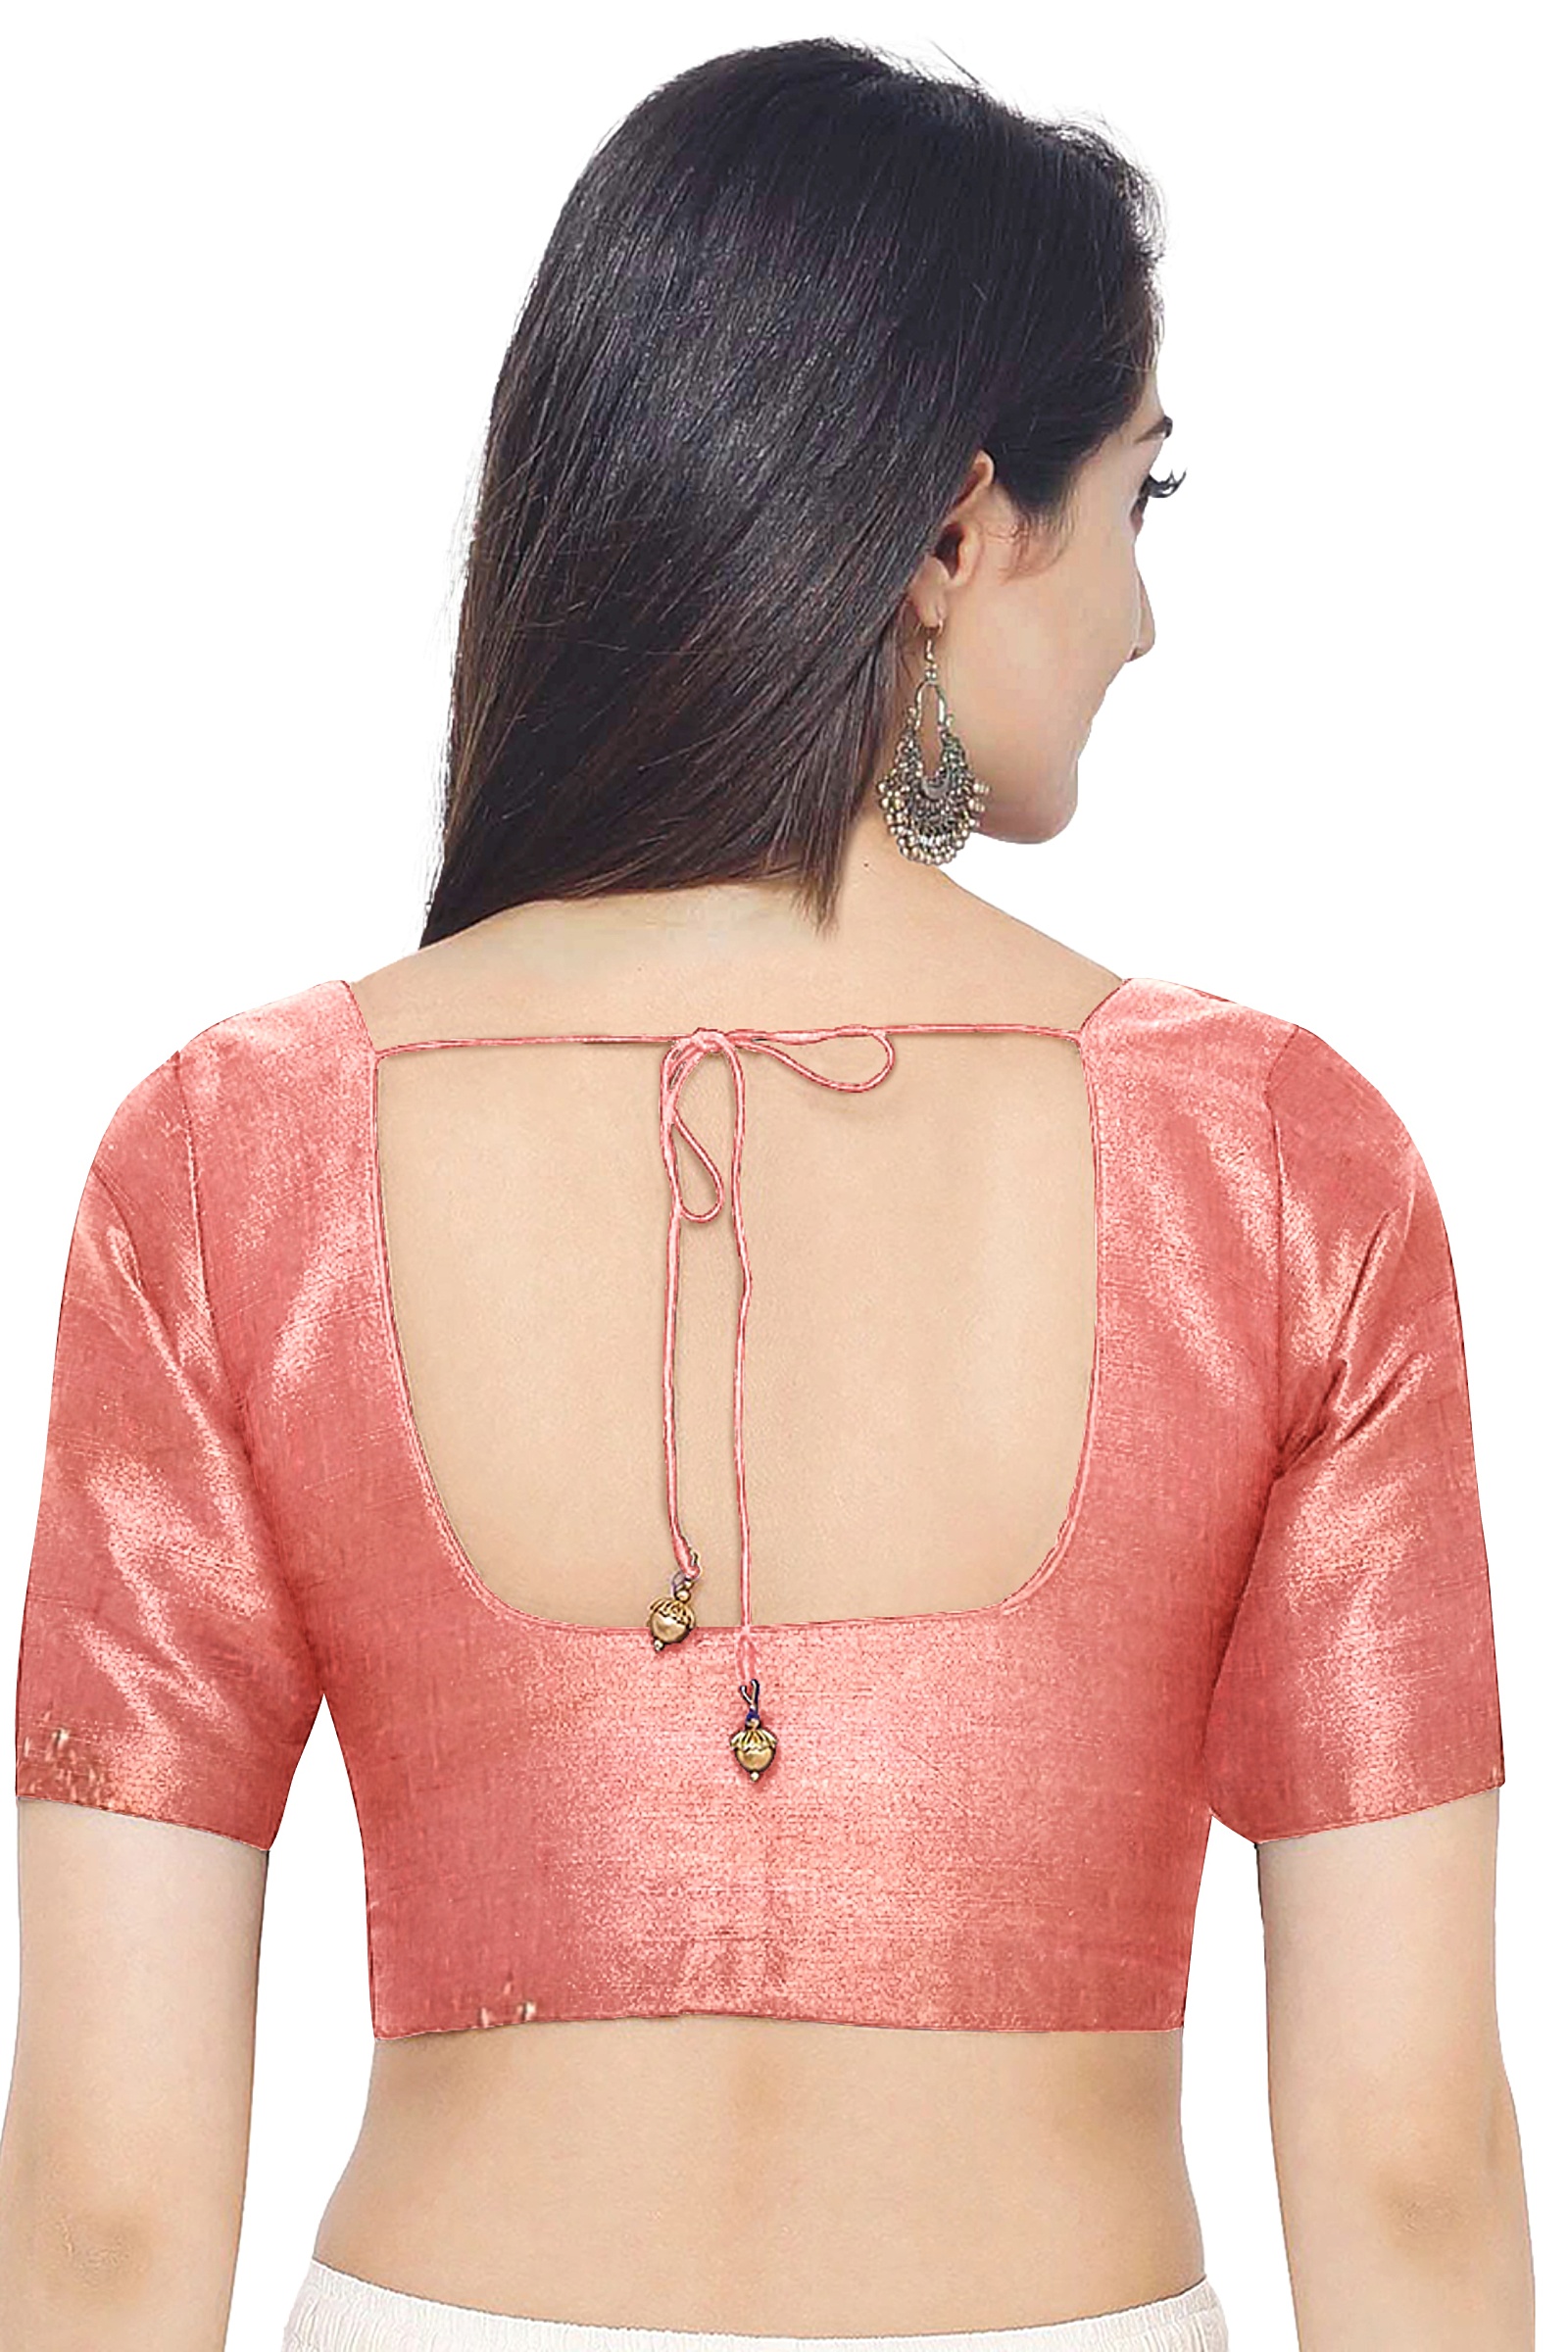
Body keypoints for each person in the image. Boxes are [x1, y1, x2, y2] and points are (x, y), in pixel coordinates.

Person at [0, 34, 1532, 2352]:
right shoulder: (1275, 1171)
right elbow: (1405, 2170)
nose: (1140, 617)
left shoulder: (235, 1159)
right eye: (1136, 499)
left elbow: (107, 2210)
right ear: (948, 533)